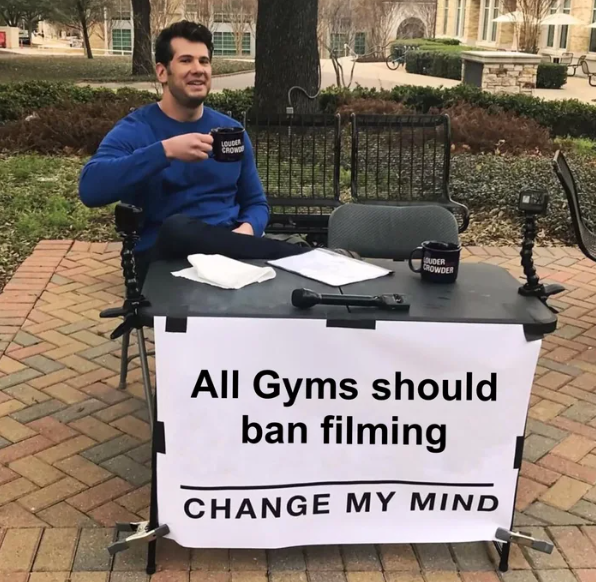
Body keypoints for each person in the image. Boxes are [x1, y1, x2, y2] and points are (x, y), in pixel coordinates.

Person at [78, 20, 306, 285]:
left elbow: (256, 203)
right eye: (186, 60)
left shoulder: (231, 132)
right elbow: (90, 189)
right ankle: (306, 256)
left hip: (232, 256)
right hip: (164, 262)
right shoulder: (137, 130)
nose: (198, 70)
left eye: (204, 61)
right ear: (162, 72)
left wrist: (247, 231)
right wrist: (165, 151)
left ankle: (313, 263)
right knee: (177, 228)